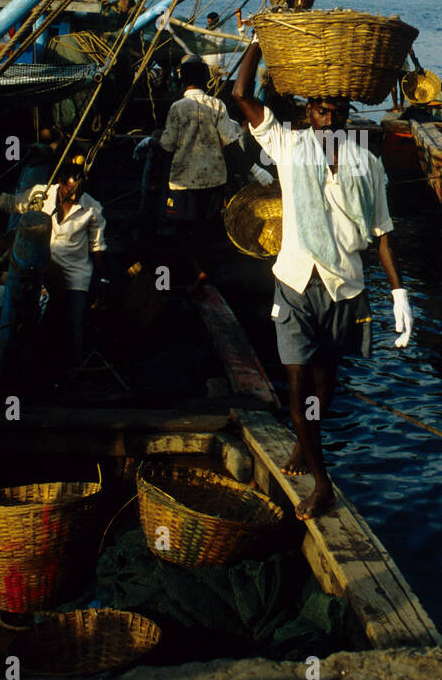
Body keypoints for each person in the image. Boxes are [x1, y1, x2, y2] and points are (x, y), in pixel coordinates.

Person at [232, 38, 413, 521]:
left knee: (324, 385)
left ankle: (303, 443)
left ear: (346, 113)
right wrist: (256, 43)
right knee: (296, 388)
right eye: (317, 109)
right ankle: (322, 480)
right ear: (307, 112)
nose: (325, 118)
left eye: (333, 111)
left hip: (345, 288)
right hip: (294, 280)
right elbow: (242, 95)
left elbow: (381, 235)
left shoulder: (367, 164)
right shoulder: (289, 146)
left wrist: (398, 292)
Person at [6, 160, 108, 368]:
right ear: (60, 183)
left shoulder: (93, 208)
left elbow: (97, 247)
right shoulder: (42, 195)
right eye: (71, 191)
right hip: (45, 267)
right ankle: (39, 369)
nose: (75, 196)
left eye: (79, 193)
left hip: (75, 272)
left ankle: (73, 372)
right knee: (39, 321)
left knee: (75, 325)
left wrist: (104, 280)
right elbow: (15, 204)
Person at [158, 55, 244, 284]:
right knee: (205, 229)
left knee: (180, 229)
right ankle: (204, 269)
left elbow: (167, 145)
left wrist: (161, 179)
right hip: (214, 180)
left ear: (182, 80)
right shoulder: (218, 105)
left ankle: (196, 271)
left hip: (183, 181)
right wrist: (251, 170)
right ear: (206, 79)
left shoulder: (177, 108)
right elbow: (231, 141)